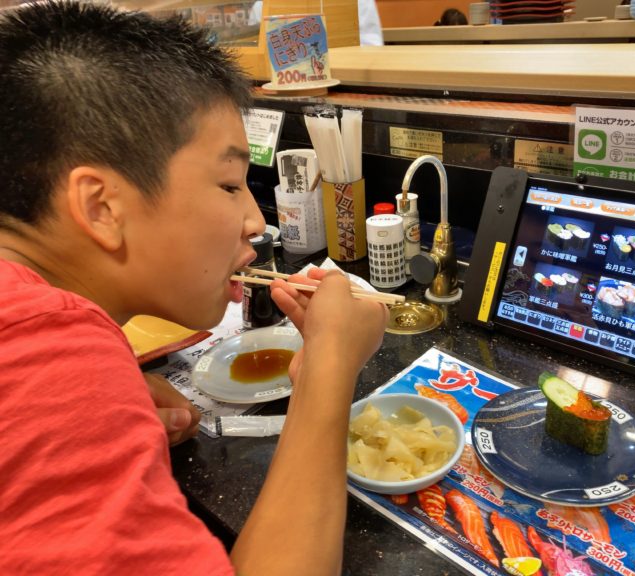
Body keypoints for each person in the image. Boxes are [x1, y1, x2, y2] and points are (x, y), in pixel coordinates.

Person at [0, 2, 388, 575]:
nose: (256, 223)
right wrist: (330, 364)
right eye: (230, 183)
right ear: (101, 206)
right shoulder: (46, 358)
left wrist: (114, 408)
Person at [248, 0, 384, 46]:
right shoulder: (261, 6)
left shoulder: (357, 2)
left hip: (344, 82)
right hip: (277, 87)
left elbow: (372, 44)